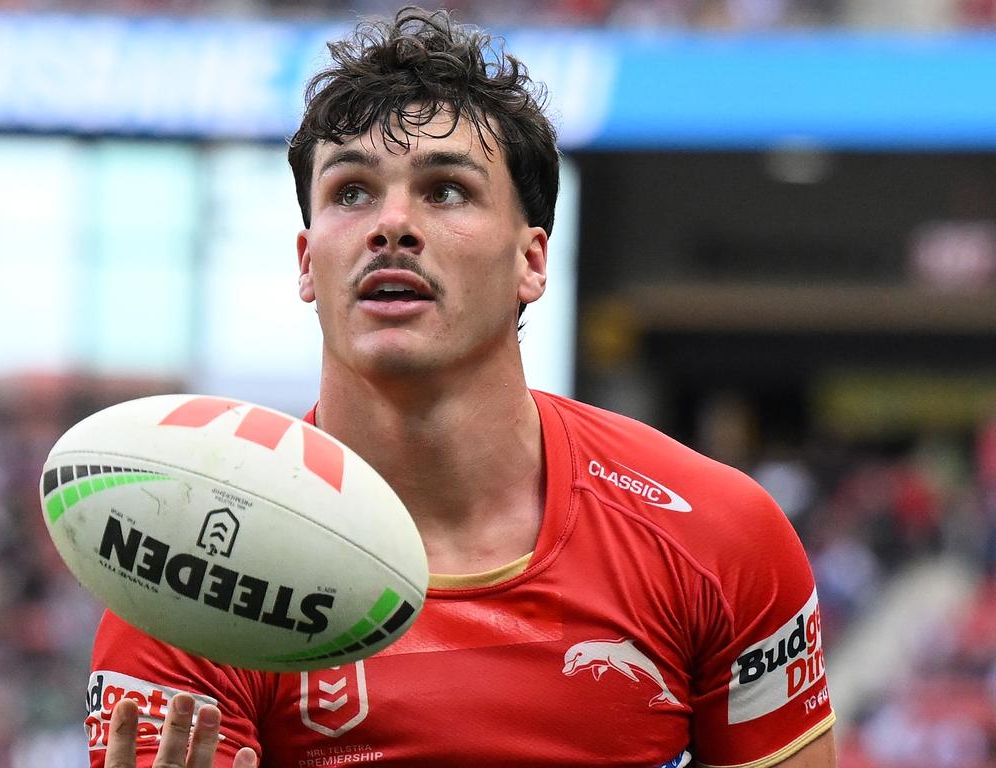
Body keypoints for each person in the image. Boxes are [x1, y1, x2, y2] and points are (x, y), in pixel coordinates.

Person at [92, 6, 836, 767]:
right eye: (350, 192)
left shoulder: (716, 535)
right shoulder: (188, 570)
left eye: (445, 190)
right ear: (307, 261)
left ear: (533, 261)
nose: (391, 226)